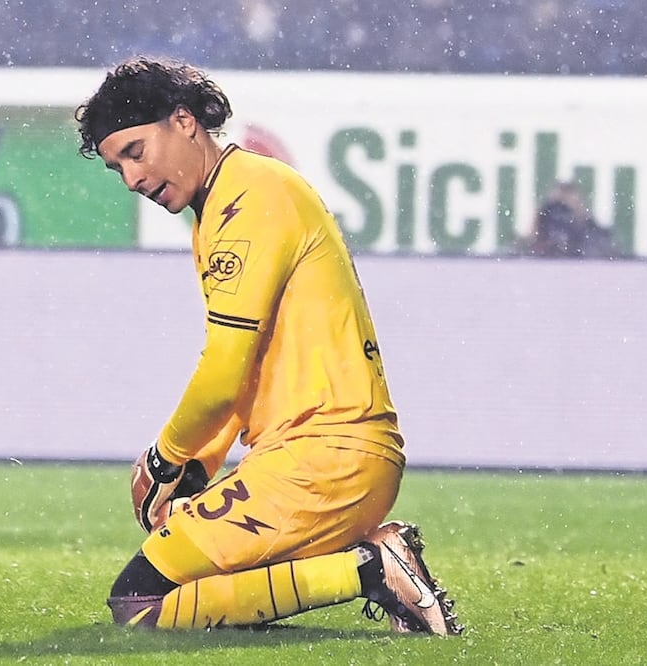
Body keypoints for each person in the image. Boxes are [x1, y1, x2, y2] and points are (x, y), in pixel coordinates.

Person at [74, 57, 462, 635]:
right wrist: (199, 467)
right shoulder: (228, 204)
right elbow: (244, 370)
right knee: (201, 593)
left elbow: (225, 368)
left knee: (139, 606)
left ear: (184, 122)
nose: (131, 178)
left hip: (324, 461)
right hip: (322, 458)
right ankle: (376, 565)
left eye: (135, 151)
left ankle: (370, 570)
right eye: (116, 168)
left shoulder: (251, 198)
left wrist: (165, 458)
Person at [530, 181, 619, 259]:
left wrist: (578, 211)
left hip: (577, 257)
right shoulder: (549, 211)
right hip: (552, 257)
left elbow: (597, 236)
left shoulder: (582, 215)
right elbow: (535, 236)